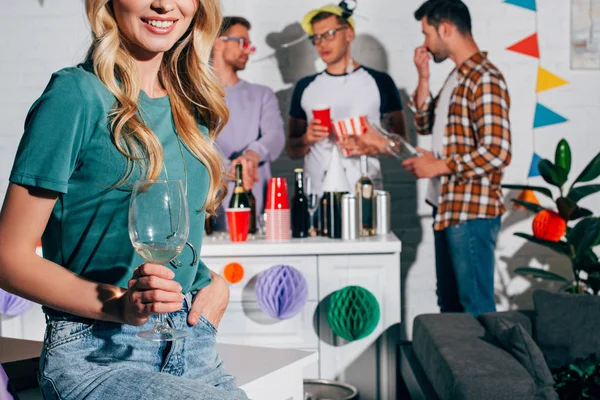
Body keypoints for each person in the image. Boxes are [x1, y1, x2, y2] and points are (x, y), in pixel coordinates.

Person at [0, 1, 248, 398]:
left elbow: (168, 237)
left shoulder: (192, 104)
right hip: (99, 354)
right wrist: (120, 307)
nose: (164, 4)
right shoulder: (76, 95)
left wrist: (214, 284)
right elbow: (8, 257)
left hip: (195, 345)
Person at [403, 0, 512, 317]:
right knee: (451, 310)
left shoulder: (484, 78)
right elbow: (424, 123)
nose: (425, 43)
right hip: (448, 209)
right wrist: (423, 78)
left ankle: (485, 368)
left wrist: (439, 165)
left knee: (475, 309)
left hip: (472, 213)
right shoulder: (457, 78)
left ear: (445, 29)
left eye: (427, 33)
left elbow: (497, 150)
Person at [286, 4, 407, 195]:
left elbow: (402, 146)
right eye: (316, 37)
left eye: (330, 33)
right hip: (318, 196)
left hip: (365, 194)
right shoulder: (304, 87)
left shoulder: (380, 82)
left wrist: (372, 145)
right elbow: (292, 151)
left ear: (349, 34)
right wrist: (306, 139)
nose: (322, 43)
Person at [211, 16, 285, 230]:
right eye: (242, 42)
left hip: (258, 210)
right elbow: (194, 142)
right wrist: (226, 167)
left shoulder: (262, 94)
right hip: (209, 211)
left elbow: (276, 136)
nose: (249, 50)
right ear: (218, 42)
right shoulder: (195, 95)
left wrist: (252, 154)